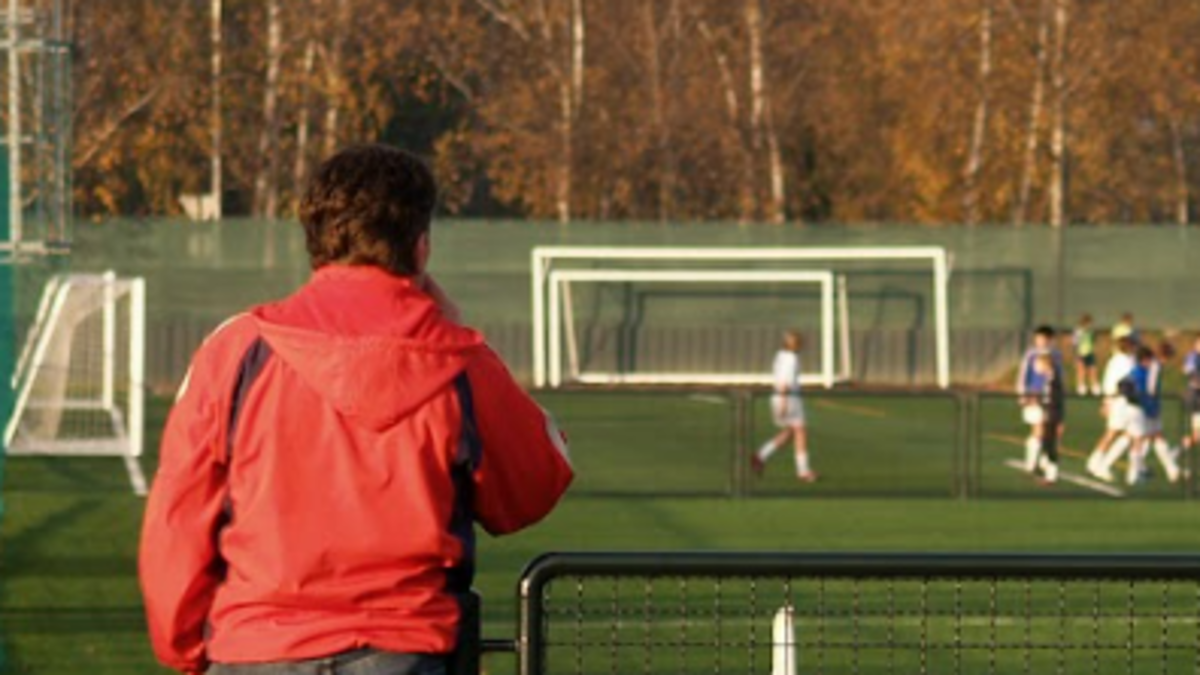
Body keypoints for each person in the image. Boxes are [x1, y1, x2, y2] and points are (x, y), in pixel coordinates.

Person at [139, 145, 574, 675]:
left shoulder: (237, 351)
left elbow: (178, 516)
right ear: (420, 249)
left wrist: (184, 649)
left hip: (254, 647)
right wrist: (459, 334)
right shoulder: (458, 362)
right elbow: (531, 489)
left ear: (316, 244)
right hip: (403, 651)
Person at [1095, 345, 1180, 485]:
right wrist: (1152, 408)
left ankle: (1164, 470)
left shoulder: (1146, 368)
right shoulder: (1153, 367)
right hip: (1143, 408)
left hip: (1139, 407)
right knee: (1141, 438)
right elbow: (1150, 390)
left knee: (1138, 437)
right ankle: (1127, 471)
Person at [751, 330, 817, 483]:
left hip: (778, 397)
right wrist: (783, 402)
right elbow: (784, 383)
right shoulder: (791, 359)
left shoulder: (780, 355)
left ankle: (760, 456)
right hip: (788, 398)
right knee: (800, 432)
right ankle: (803, 471)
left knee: (789, 433)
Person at [1087, 336, 1136, 481]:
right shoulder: (1123, 362)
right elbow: (1114, 383)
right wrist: (1107, 402)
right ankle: (1098, 463)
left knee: (1127, 434)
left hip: (1120, 401)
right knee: (1114, 433)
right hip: (1119, 401)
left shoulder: (1120, 360)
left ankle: (1098, 462)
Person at [1015, 325, 1063, 473]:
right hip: (1034, 397)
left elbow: (1059, 377)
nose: (1041, 341)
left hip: (1050, 399)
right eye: (1038, 338)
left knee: (1048, 431)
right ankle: (1031, 463)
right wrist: (1023, 394)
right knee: (1038, 428)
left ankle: (1042, 460)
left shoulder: (1056, 355)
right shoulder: (1031, 355)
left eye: (1044, 338)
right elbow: (1023, 376)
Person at [1031, 354, 1064, 484]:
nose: (1037, 367)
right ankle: (1045, 470)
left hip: (1053, 416)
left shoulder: (1054, 380)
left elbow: (1057, 401)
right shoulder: (1048, 379)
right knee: (1046, 443)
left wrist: (1060, 420)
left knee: (1050, 444)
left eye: (1039, 364)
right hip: (1047, 414)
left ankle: (1051, 475)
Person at [1072, 313, 1101, 396]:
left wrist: (1094, 351)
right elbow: (1075, 345)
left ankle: (1094, 387)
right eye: (1089, 323)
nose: (1090, 325)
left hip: (1090, 353)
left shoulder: (1092, 331)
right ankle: (1081, 387)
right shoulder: (1078, 332)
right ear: (1084, 323)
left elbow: (1093, 342)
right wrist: (1076, 357)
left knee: (1093, 370)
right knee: (1081, 371)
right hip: (1080, 354)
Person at [1180, 335, 1200, 454]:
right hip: (1196, 400)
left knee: (1197, 436)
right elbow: (1190, 373)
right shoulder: (1193, 357)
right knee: (1197, 436)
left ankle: (1176, 453)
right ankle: (1176, 453)